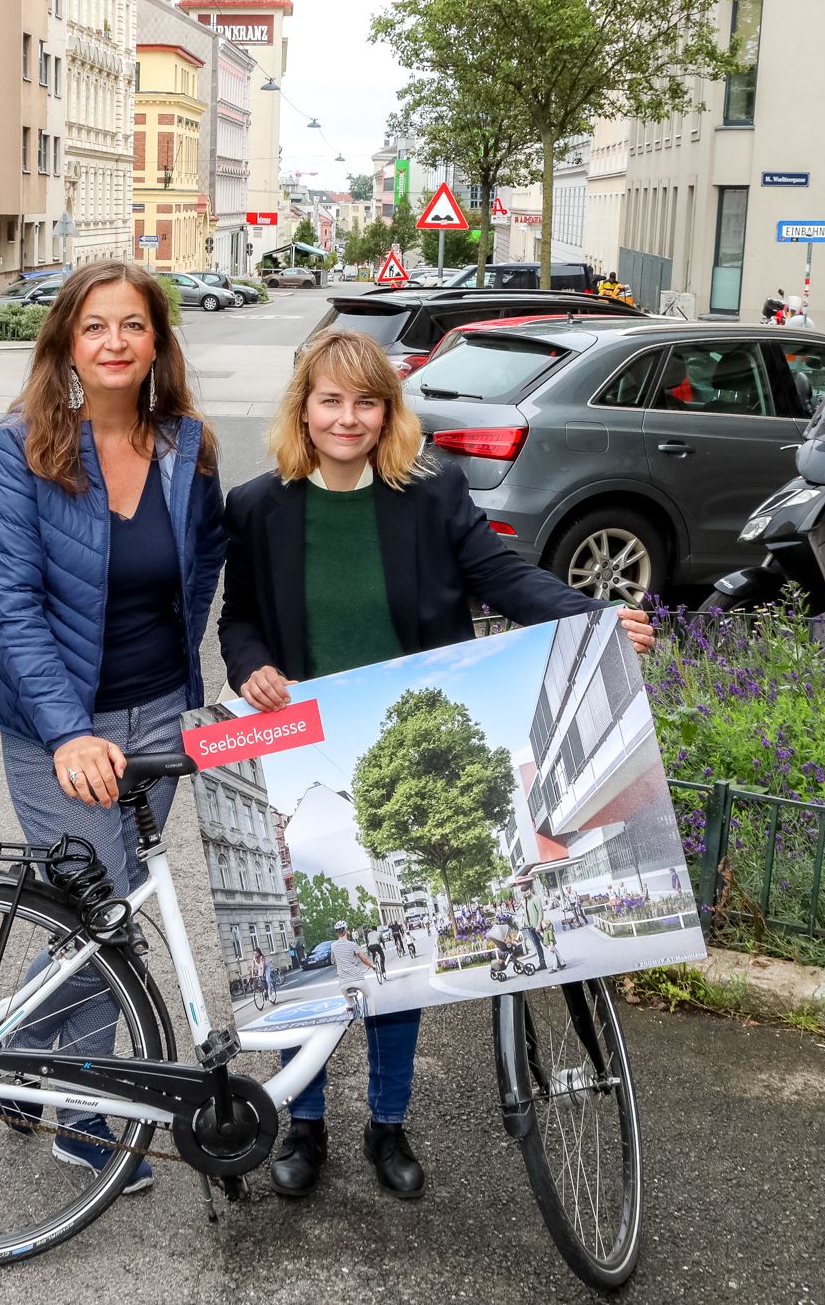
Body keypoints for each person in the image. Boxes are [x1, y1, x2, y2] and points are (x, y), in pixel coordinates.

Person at [219, 326, 655, 1202]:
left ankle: (388, 1122)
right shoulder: (259, 504)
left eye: (366, 401)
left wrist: (589, 619)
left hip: (405, 742)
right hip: (303, 739)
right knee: (299, 943)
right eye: (330, 400)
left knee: (397, 951)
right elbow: (242, 616)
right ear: (304, 407)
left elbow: (501, 574)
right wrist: (250, 665)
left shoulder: (430, 493)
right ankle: (302, 1127)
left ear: (389, 411)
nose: (348, 417)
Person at [0, 257, 225, 1192]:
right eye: (94, 327)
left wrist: (191, 688)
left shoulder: (186, 443)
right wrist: (71, 729)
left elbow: (197, 577)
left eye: (132, 325)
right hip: (55, 726)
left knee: (100, 910)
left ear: (157, 340)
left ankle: (16, 1048)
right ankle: (90, 1120)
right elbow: (13, 606)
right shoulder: (18, 448)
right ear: (66, 344)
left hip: (156, 710)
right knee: (105, 914)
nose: (114, 342)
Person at [520, 888, 558, 973]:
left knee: (546, 943)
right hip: (529, 927)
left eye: (526, 892)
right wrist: (524, 924)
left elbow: (540, 913)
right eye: (524, 893)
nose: (526, 894)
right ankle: (542, 963)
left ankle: (559, 961)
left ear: (529, 890)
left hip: (537, 927)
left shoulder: (535, 899)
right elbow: (525, 914)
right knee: (537, 946)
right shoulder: (525, 900)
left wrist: (538, 925)